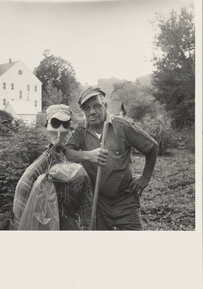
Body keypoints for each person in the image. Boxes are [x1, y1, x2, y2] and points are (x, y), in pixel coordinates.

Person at [64, 87, 159, 230]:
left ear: (106, 106)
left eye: (97, 106)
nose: (92, 112)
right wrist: (89, 155)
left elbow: (152, 147)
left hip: (125, 199)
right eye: (87, 108)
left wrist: (145, 178)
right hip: (98, 202)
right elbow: (68, 152)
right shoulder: (81, 130)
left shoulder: (122, 126)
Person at [12, 104, 93, 230]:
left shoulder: (74, 165)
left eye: (65, 125)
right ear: (47, 126)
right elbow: (22, 194)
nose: (60, 130)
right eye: (55, 123)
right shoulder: (39, 167)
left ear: (70, 128)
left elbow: (86, 207)